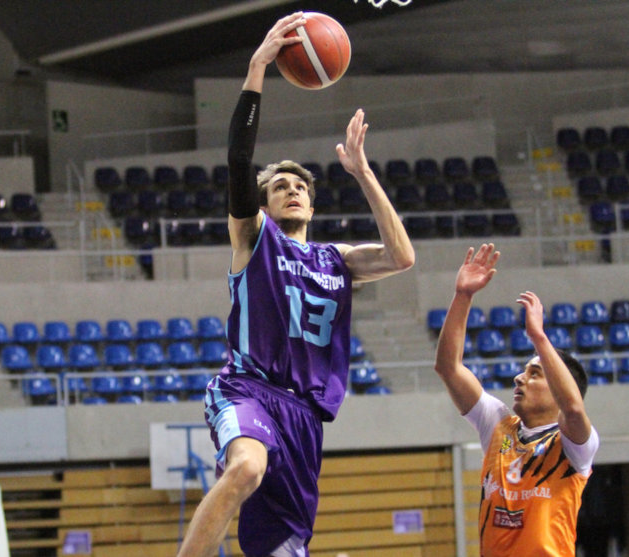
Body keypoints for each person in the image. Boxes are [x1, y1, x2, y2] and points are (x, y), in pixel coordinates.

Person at [176, 12, 416, 557]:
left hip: (305, 417)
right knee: (244, 469)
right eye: (279, 186)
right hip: (248, 388)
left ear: (311, 201)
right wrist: (258, 68)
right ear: (264, 204)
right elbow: (239, 159)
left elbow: (402, 256)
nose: (291, 191)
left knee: (284, 550)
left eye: (298, 186)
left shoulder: (338, 259)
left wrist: (363, 173)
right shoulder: (253, 237)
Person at [433, 243, 599, 557]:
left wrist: (539, 337)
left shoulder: (575, 447)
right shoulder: (498, 424)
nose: (519, 378)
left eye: (534, 373)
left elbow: (574, 408)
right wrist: (463, 296)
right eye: (524, 371)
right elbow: (448, 367)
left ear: (558, 385)